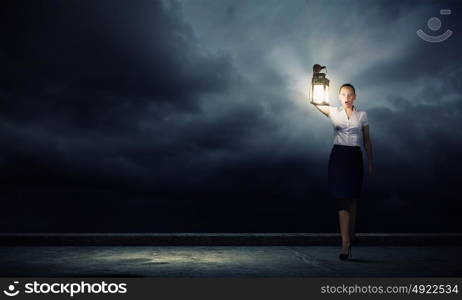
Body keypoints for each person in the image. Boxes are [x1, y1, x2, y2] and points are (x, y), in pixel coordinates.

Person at [311, 83, 374, 260]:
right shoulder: (333, 112)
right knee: (342, 199)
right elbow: (314, 101)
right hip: (339, 156)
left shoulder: (362, 115)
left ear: (355, 96)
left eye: (350, 94)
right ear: (339, 96)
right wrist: (315, 77)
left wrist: (371, 163)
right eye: (343, 94)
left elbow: (367, 141)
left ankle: (351, 235)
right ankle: (345, 243)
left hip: (355, 156)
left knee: (352, 197)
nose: (347, 97)